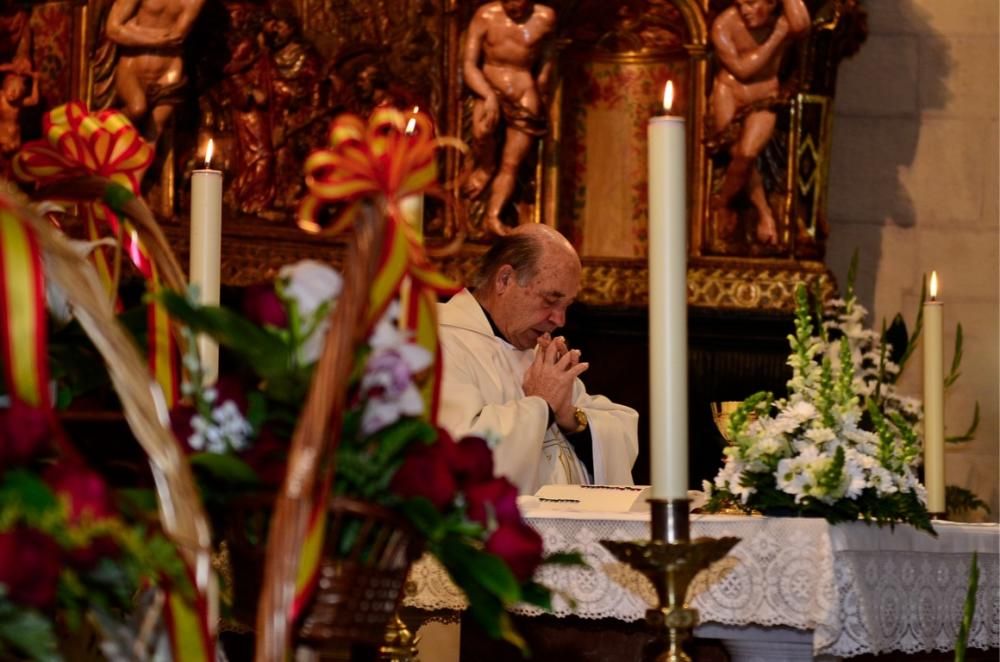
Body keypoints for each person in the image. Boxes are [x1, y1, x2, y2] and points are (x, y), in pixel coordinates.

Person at [437, 224, 639, 494]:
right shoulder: (439, 342)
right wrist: (540, 405)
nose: (559, 320)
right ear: (504, 280)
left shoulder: (538, 353)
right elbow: (460, 452)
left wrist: (571, 418)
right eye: (550, 300)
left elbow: (617, 427)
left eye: (566, 306)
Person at [708, 0, 810, 245]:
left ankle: (723, 201)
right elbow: (742, 70)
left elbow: (803, 24)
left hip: (765, 94)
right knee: (735, 151)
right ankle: (761, 213)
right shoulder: (724, 24)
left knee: (747, 153)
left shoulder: (783, 20)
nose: (745, 11)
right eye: (741, 3)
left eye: (752, 3)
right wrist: (776, 36)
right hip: (730, 91)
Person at [462, 0, 555, 237]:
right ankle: (485, 167)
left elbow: (548, 53)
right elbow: (469, 65)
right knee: (482, 133)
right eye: (511, 4)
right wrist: (487, 95)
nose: (516, 9)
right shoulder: (485, 16)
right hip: (488, 86)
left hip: (524, 90)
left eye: (521, 4)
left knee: (511, 163)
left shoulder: (545, 18)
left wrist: (543, 82)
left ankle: (493, 216)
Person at [104, 0, 206, 142]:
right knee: (137, 109)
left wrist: (134, 29)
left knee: (154, 132)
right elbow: (113, 30)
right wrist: (156, 40)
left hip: (169, 68)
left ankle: (141, 162)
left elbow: (176, 37)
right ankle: (101, 132)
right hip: (133, 63)